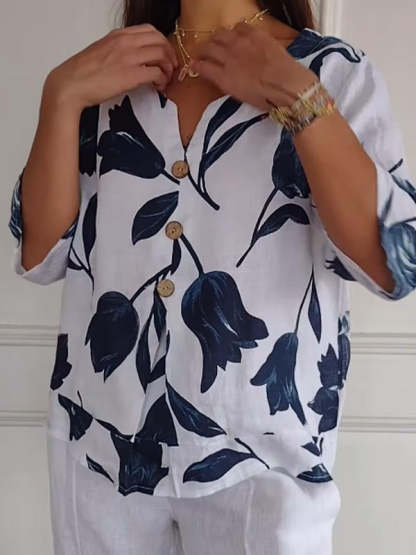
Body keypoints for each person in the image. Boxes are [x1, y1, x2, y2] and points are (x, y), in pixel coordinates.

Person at [8, 0, 416, 553]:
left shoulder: (333, 71)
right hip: (98, 444)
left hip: (268, 458)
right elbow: (43, 254)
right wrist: (60, 97)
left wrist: (299, 99)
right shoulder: (111, 72)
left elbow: (394, 263)